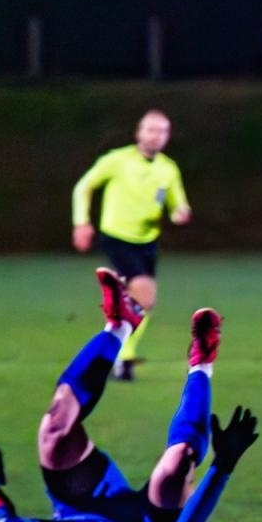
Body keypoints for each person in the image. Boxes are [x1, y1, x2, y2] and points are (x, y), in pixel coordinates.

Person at [0, 269, 258, 522]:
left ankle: (121, 324)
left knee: (54, 429)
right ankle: (202, 363)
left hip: (82, 503)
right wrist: (222, 465)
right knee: (178, 462)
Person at [71, 110, 193, 381]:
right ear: (139, 133)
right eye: (150, 130)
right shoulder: (117, 160)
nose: (156, 136)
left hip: (147, 241)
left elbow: (177, 204)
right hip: (117, 236)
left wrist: (180, 213)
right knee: (144, 296)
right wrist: (81, 222)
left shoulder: (168, 168)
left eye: (162, 131)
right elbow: (83, 187)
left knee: (139, 305)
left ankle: (116, 356)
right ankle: (122, 356)